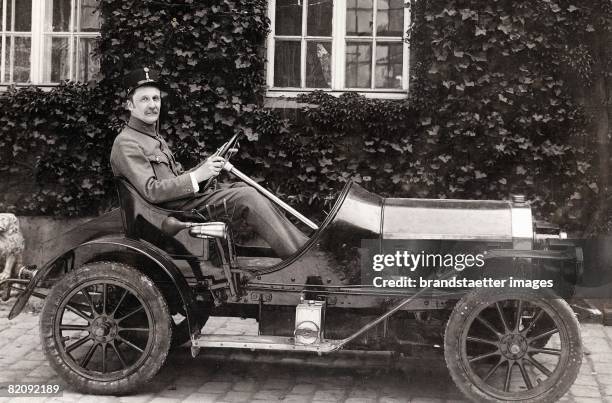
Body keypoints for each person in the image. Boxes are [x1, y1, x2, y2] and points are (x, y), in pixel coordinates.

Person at [110, 67, 309, 257]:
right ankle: (298, 257)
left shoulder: (152, 137)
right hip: (168, 214)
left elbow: (176, 178)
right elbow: (152, 190)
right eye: (144, 99)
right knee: (246, 196)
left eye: (155, 98)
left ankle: (301, 245)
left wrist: (209, 165)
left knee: (242, 187)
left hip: (179, 205)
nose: (153, 105)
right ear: (130, 105)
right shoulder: (127, 142)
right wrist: (198, 175)